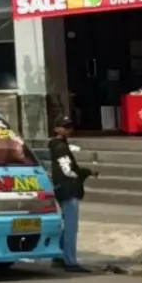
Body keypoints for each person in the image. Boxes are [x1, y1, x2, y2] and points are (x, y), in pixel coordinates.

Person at [49, 116, 96, 272]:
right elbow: (68, 171)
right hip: (68, 190)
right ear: (57, 129)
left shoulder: (60, 146)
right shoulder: (60, 147)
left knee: (66, 226)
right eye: (64, 127)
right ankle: (70, 261)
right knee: (70, 227)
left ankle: (59, 256)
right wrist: (85, 173)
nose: (68, 130)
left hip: (63, 189)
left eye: (69, 127)